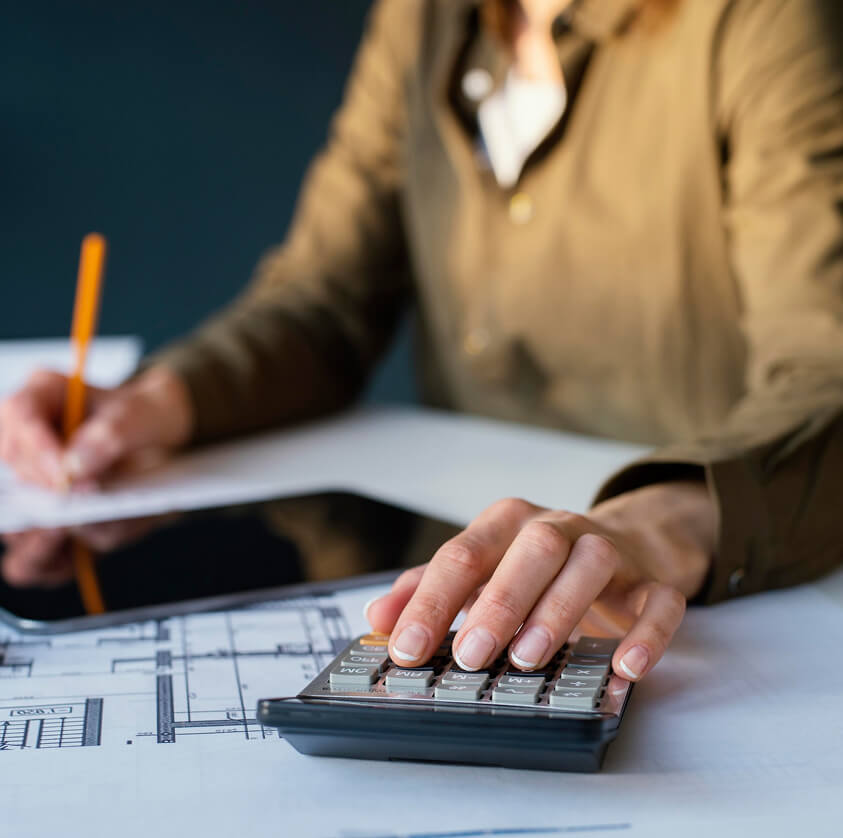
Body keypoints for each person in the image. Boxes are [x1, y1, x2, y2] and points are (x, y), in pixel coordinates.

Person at [2, 0, 842, 680]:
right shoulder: (421, 17)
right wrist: (157, 401)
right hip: (454, 546)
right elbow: (326, 296)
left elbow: (824, 363)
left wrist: (662, 523)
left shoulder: (759, 20)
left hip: (706, 587)